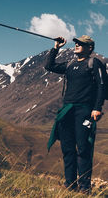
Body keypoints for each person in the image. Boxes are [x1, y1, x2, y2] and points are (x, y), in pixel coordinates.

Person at [45, 35, 105, 193]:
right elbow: (49, 66)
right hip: (67, 111)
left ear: (89, 48)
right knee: (67, 148)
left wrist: (97, 108)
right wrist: (56, 47)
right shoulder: (70, 64)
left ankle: (85, 188)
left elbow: (102, 86)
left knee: (84, 148)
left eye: (81, 43)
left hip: (85, 112)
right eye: (76, 42)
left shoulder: (94, 63)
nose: (76, 45)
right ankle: (70, 185)